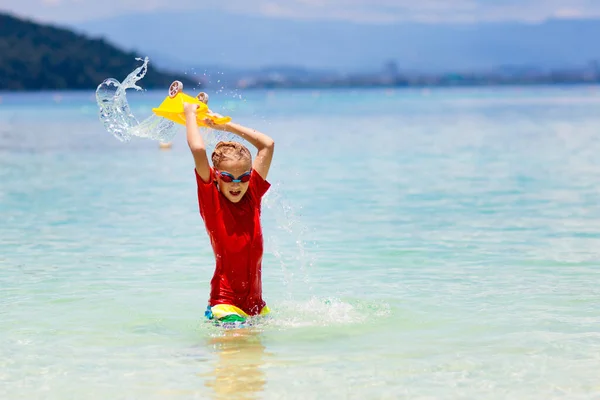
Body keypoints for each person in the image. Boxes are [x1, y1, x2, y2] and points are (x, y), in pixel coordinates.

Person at [183, 103, 275, 325]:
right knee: (236, 353)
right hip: (225, 302)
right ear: (216, 177)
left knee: (256, 356)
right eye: (227, 177)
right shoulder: (212, 201)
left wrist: (226, 126)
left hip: (255, 305)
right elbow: (197, 150)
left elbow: (267, 145)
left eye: (243, 178)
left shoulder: (252, 195)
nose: (236, 184)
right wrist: (189, 114)